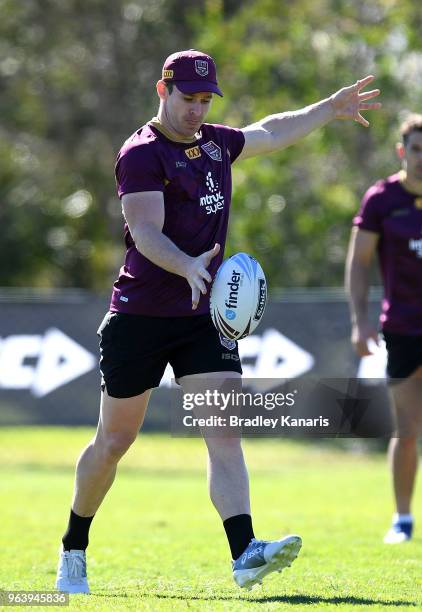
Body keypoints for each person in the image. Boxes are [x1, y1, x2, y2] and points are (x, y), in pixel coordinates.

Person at [55, 49, 381, 594]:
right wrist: (186, 265)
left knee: (223, 430)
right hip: (139, 316)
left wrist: (328, 107)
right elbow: (144, 230)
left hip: (202, 316)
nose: (197, 110)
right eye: (188, 98)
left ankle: (244, 552)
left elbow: (270, 131)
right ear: (163, 91)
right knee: (114, 441)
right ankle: (73, 547)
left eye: (206, 100)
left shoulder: (215, 144)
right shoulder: (141, 154)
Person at [346, 114, 422, 544]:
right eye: (416, 149)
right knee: (407, 428)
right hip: (404, 329)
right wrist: (359, 321)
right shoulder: (382, 200)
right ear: (402, 151)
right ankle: (403, 520)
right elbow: (358, 264)